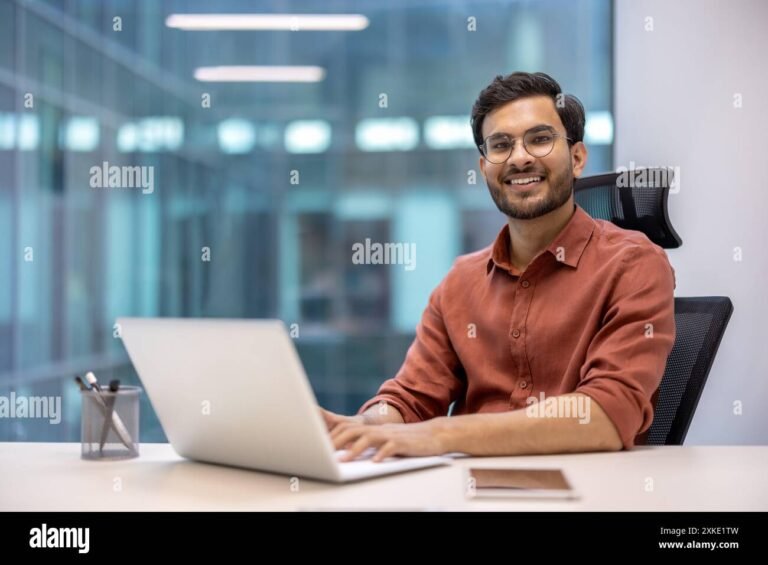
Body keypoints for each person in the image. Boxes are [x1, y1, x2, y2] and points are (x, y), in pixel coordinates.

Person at [322, 71, 676, 462]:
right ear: (485, 166)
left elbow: (606, 416)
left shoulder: (634, 265)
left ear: (577, 158)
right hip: (469, 494)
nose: (520, 157)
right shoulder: (460, 282)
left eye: (540, 139)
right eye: (501, 145)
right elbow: (412, 400)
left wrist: (442, 434)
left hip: (588, 494)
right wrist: (361, 427)